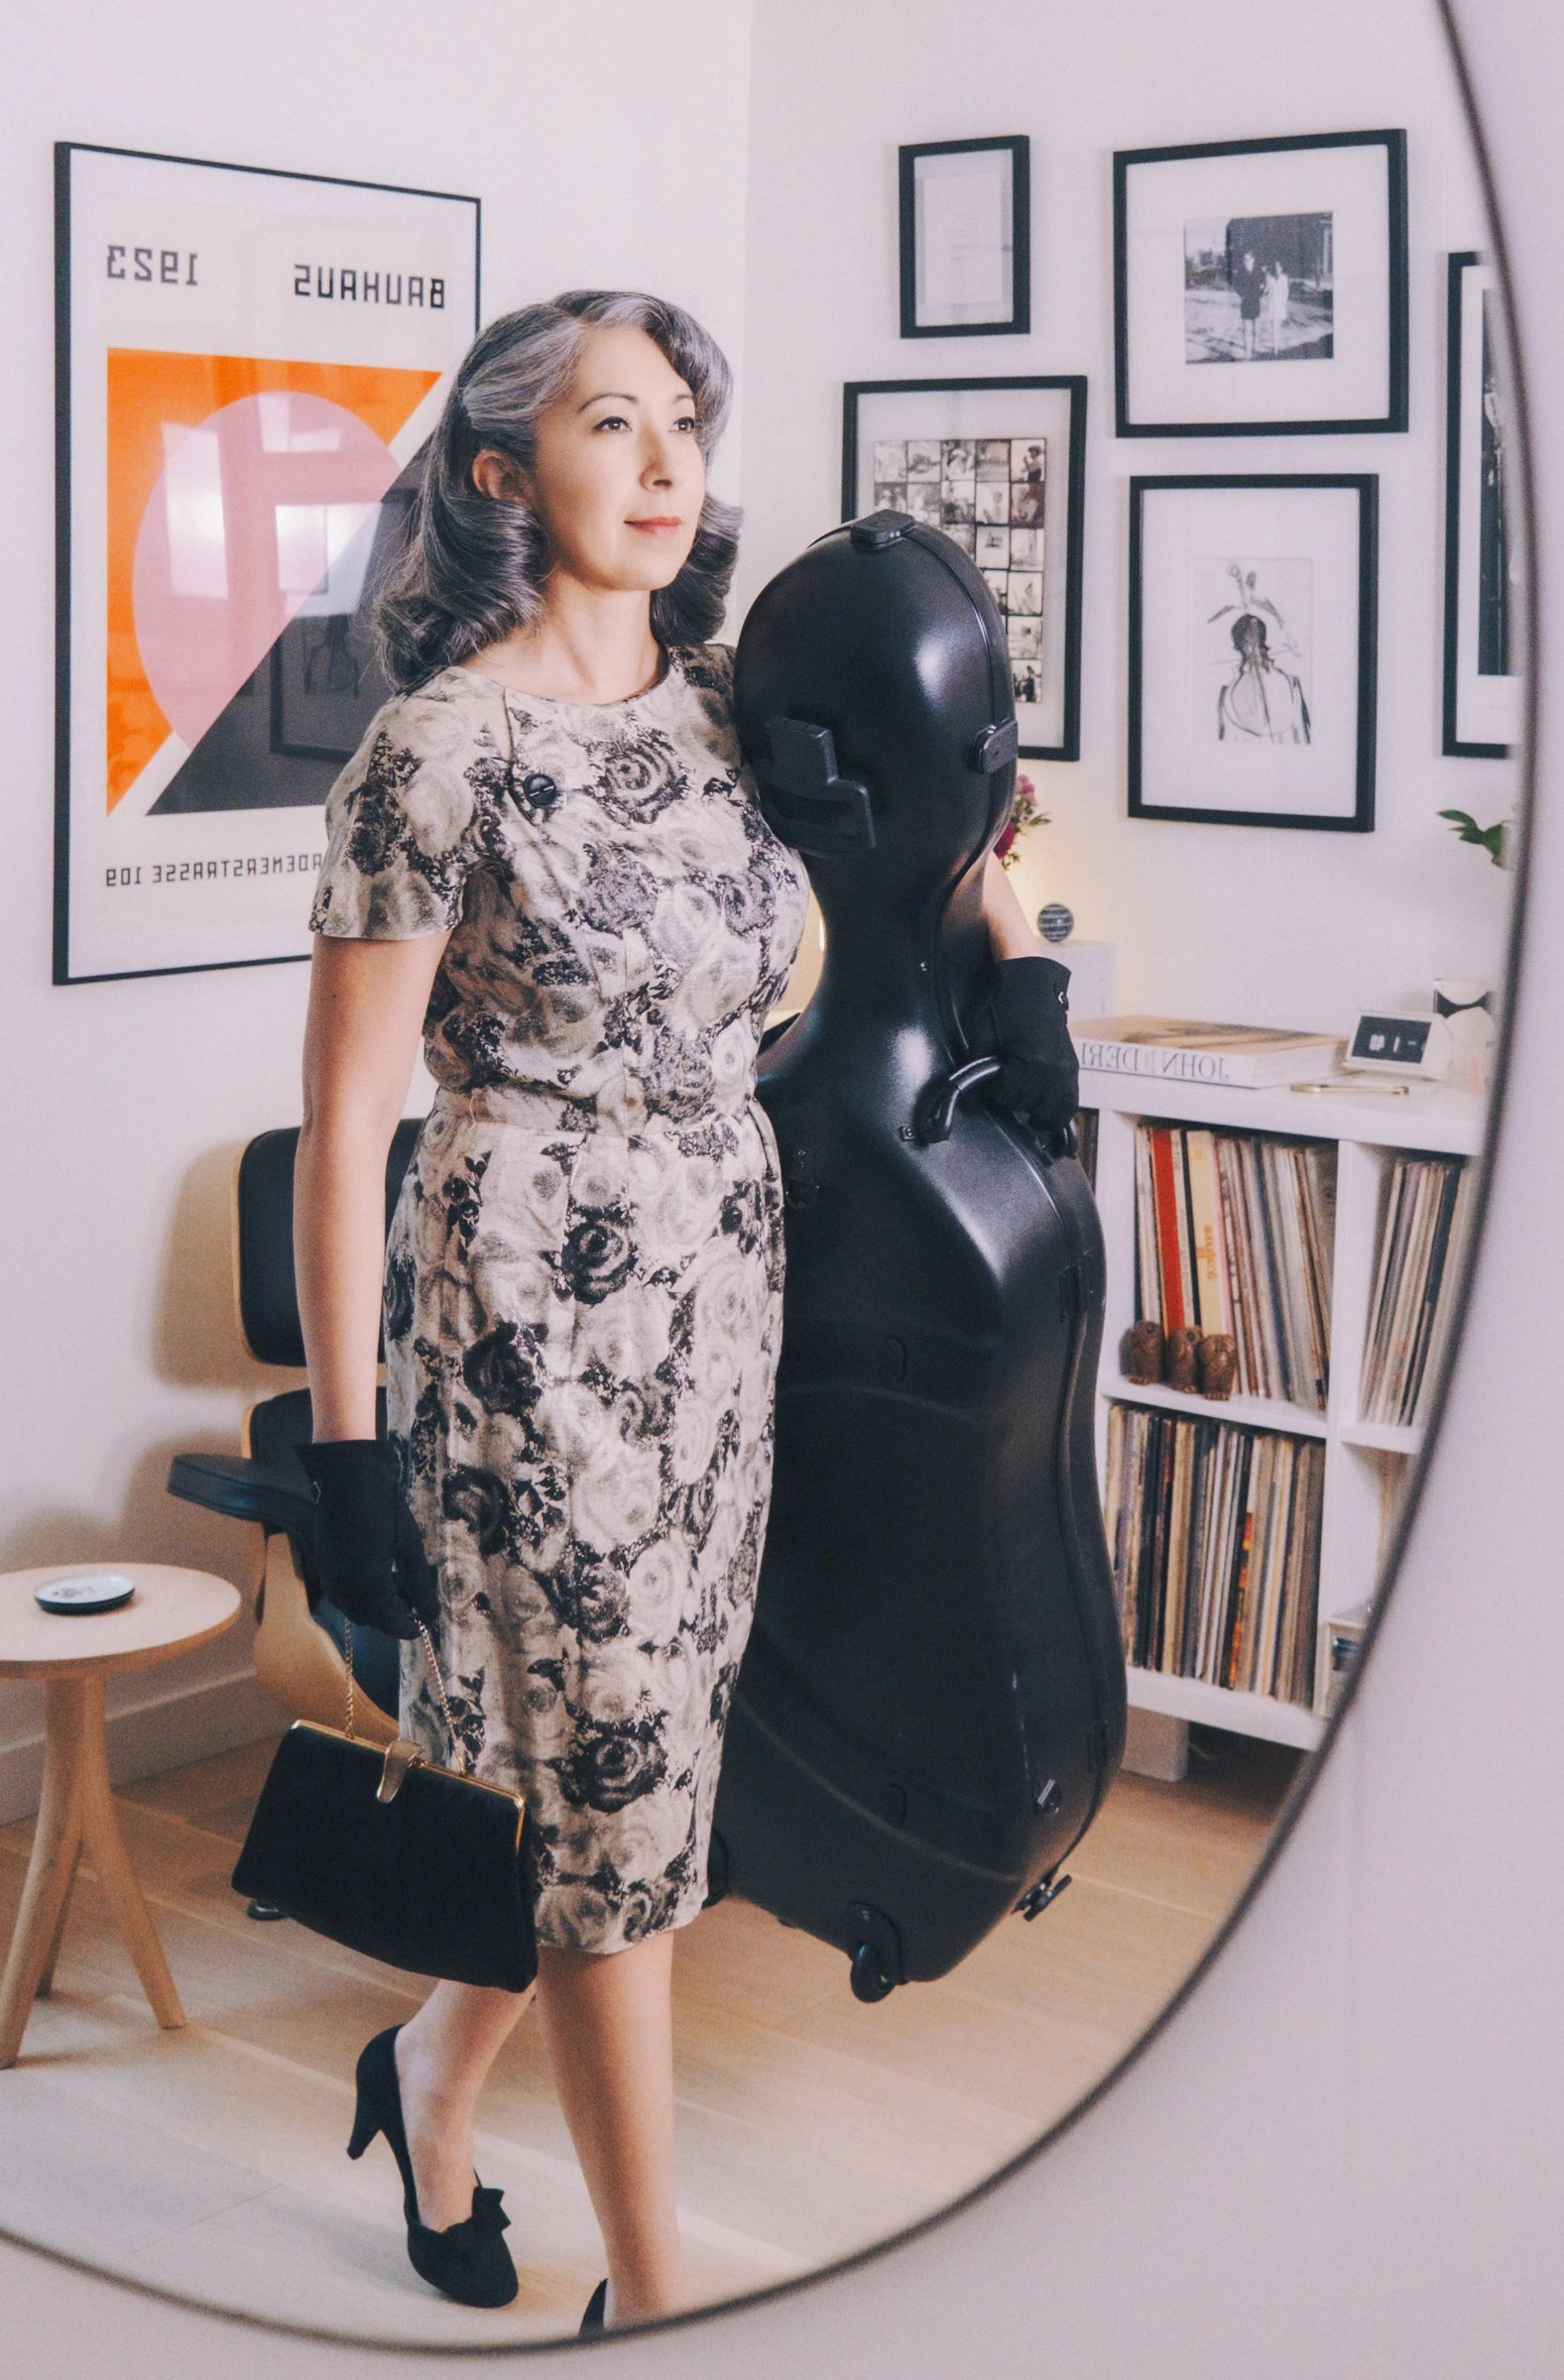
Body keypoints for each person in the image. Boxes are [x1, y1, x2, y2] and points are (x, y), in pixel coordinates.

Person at [294, 288, 1071, 2335]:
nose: (664, 469)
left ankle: (425, 2078)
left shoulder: (730, 702)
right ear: (495, 474)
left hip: (722, 1298)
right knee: (615, 1799)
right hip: (519, 1325)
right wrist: (354, 1446)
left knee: (634, 1788)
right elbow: (346, 1122)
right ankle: (656, 2303)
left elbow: (964, 818)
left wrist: (1023, 960)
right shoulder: (434, 753)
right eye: (610, 427)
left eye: (682, 430)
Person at [1216, 611, 1311, 742]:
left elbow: (1301, 734)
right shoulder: (1227, 695)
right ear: (1241, 646)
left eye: (1257, 641)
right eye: (1247, 642)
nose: (1253, 648)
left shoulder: (1291, 684)